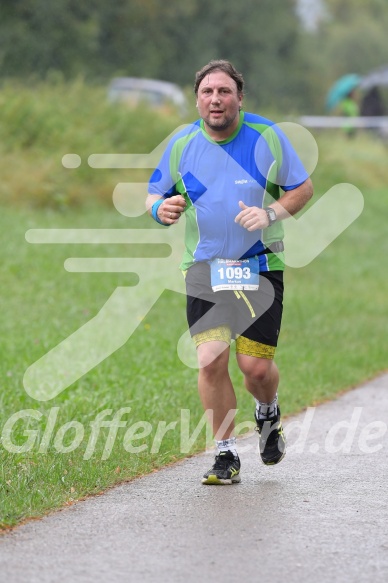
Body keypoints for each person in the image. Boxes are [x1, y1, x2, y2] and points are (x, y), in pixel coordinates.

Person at [146, 60, 313, 485]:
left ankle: (268, 411)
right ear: (197, 99)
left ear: (240, 97)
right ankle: (224, 455)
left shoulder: (266, 137)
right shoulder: (182, 143)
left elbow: (302, 188)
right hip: (205, 267)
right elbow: (154, 192)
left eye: (224, 91)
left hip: (259, 266)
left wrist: (271, 211)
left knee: (255, 369)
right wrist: (158, 209)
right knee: (210, 358)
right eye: (207, 92)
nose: (215, 99)